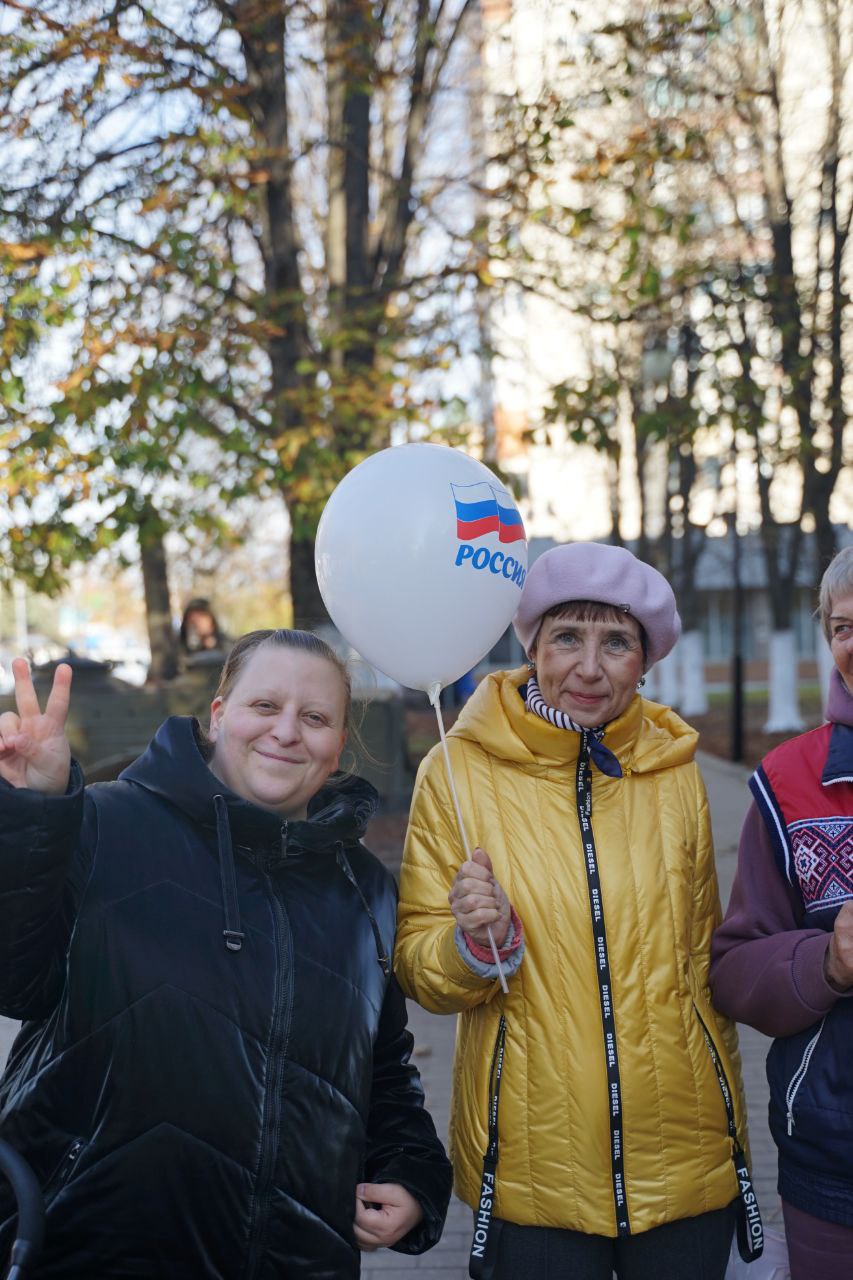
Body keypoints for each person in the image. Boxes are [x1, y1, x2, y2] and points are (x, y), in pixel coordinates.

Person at [0, 628, 451, 1278]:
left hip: (297, 1260)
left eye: (315, 717)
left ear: (338, 743)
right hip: (88, 1249)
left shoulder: (365, 889)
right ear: (218, 716)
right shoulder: (103, 825)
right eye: (264, 707)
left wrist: (409, 1172)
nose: (287, 732)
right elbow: (16, 982)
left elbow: (381, 1073)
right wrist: (29, 818)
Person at [395, 542, 759, 1280]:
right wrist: (473, 945)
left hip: (683, 1151)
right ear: (531, 646)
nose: (588, 668)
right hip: (533, 1163)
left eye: (615, 642)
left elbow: (699, 961)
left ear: (643, 660)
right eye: (567, 637)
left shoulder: (676, 771)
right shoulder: (456, 770)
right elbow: (419, 968)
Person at [710, 545, 853, 1280]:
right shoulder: (787, 780)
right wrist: (825, 962)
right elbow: (734, 969)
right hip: (833, 1155)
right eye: (843, 625)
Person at [179, 597, 228, 662]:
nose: (196, 622)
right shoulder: (178, 649)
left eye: (201, 616)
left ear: (212, 620)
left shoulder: (226, 645)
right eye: (191, 618)